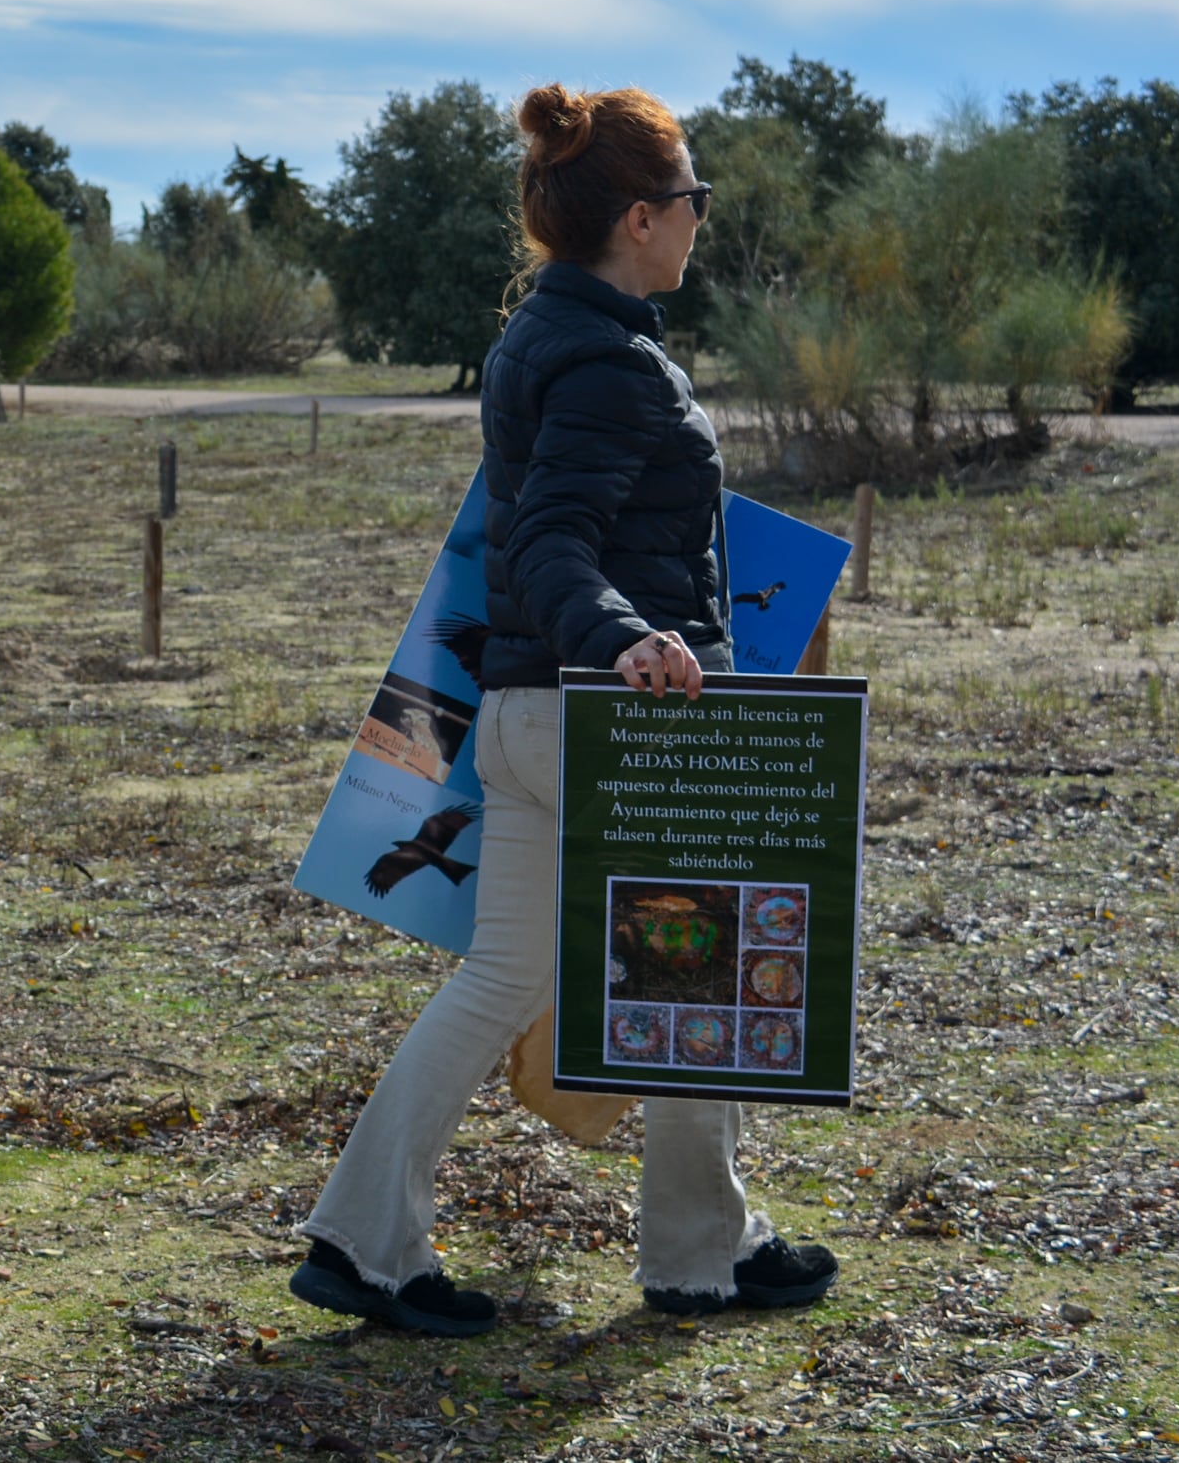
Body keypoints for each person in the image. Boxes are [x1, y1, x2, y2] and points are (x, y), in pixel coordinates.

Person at [288, 83, 838, 1337]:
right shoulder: (608, 360)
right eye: (694, 195)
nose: (702, 214)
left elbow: (545, 536)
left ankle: (363, 1242)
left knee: (500, 979)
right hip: (620, 721)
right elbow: (550, 542)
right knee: (689, 975)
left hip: (531, 722)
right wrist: (629, 639)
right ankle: (704, 1256)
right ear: (641, 218)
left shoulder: (545, 338)